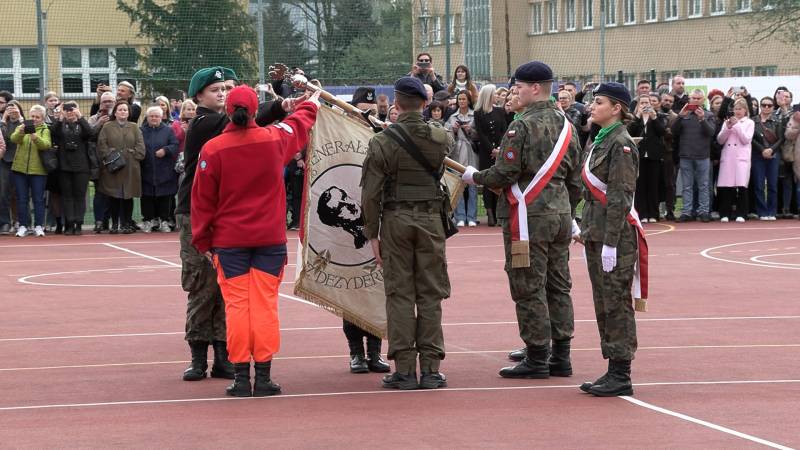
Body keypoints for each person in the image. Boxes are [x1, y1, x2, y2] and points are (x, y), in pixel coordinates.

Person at [191, 85, 320, 397]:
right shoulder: (274, 139)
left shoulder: (213, 149)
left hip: (230, 241)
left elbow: (201, 202)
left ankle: (239, 377)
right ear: (253, 112)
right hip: (268, 240)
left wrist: (204, 242)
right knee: (264, 306)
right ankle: (263, 376)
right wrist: (312, 103)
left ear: (228, 110)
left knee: (237, 307)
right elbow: (299, 124)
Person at [462, 61, 582, 379]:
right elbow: (575, 176)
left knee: (528, 285)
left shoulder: (521, 125)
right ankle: (561, 356)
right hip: (559, 214)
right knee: (558, 285)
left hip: (527, 218)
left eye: (518, 87)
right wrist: (567, 208)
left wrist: (474, 176)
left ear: (535, 88)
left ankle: (538, 355)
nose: (514, 91)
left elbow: (505, 172)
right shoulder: (567, 124)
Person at [177, 66, 290, 383]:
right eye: (215, 90)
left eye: (226, 89)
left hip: (220, 216)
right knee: (202, 285)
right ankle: (198, 357)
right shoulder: (203, 123)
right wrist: (279, 105)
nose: (222, 94)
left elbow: (248, 122)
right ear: (198, 96)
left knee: (229, 292)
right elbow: (242, 120)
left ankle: (225, 355)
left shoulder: (225, 123)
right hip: (195, 214)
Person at [361, 76, 453, 390]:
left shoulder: (382, 141)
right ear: (425, 103)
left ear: (396, 104)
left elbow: (370, 194)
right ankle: (430, 368)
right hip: (430, 221)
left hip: (396, 220)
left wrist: (372, 234)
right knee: (430, 294)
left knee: (399, 294)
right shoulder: (440, 137)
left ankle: (403, 369)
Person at [578, 82, 644, 397]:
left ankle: (622, 372)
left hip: (614, 237)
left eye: (599, 101)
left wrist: (611, 241)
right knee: (603, 302)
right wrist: (584, 227)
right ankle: (611, 368)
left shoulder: (621, 144)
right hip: (598, 231)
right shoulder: (601, 140)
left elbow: (619, 195)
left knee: (616, 303)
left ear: (616, 108)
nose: (592, 106)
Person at [96, 101, 145, 234]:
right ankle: (115, 224)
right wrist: (110, 155)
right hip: (113, 167)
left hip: (130, 167)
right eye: (120, 110)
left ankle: (126, 223)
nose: (123, 112)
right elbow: (102, 145)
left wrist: (133, 154)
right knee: (114, 196)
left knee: (128, 197)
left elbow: (140, 147)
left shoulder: (135, 127)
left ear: (129, 113)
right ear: (115, 112)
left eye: (125, 110)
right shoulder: (107, 127)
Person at [50, 102, 93, 235]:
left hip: (81, 166)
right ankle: (69, 223)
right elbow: (53, 133)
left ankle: (79, 223)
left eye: (72, 109)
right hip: (64, 166)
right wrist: (60, 117)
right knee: (67, 196)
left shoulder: (82, 124)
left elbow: (90, 133)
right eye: (67, 110)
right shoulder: (61, 125)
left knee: (80, 196)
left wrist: (80, 117)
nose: (69, 112)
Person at [673, 89, 716, 222]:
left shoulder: (709, 115)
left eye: (698, 98)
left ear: (703, 100)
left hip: (703, 156)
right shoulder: (683, 114)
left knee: (703, 185)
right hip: (686, 155)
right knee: (687, 186)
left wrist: (702, 119)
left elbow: (711, 133)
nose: (695, 101)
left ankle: (704, 211)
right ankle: (687, 212)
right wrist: (680, 116)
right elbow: (674, 131)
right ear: (689, 99)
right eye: (693, 98)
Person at [10, 105, 53, 237]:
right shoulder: (21, 126)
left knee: (38, 199)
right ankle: (23, 225)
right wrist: (21, 132)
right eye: (32, 116)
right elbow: (13, 139)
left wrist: (35, 137)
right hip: (19, 169)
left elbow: (46, 145)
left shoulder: (45, 129)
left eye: (37, 117)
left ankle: (39, 225)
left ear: (42, 118)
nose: (34, 119)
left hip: (38, 170)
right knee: (22, 199)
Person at [473, 84, 508, 227]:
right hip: (486, 153)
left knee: (499, 181)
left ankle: (499, 212)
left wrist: (499, 148)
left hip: (500, 152)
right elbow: (481, 134)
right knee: (488, 181)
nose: (497, 96)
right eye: (494, 94)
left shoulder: (500, 111)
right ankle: (490, 213)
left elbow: (503, 130)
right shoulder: (479, 112)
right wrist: (491, 150)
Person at [140, 106, 178, 232]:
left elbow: (175, 145)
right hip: (146, 169)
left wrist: (165, 150)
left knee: (165, 197)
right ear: (147, 117)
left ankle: (164, 221)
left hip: (164, 170)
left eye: (157, 116)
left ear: (161, 117)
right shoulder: (141, 130)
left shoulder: (168, 131)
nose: (154, 118)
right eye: (151, 116)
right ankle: (148, 221)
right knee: (147, 197)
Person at [628, 95, 665, 223]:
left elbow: (662, 132)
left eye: (647, 102)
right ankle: (642, 213)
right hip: (639, 156)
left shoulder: (658, 117)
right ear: (638, 104)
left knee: (653, 185)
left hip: (654, 156)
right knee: (640, 186)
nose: (645, 105)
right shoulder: (634, 118)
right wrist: (638, 116)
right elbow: (630, 132)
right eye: (642, 102)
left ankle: (654, 214)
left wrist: (654, 118)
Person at [717, 99, 754, 223]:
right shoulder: (727, 122)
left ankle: (742, 213)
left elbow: (746, 139)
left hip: (741, 158)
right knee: (727, 187)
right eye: (736, 109)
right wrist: (727, 128)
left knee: (742, 187)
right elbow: (720, 140)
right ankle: (725, 213)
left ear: (745, 110)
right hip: (728, 157)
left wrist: (737, 125)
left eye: (740, 109)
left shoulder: (749, 123)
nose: (737, 111)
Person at [445, 90, 478, 227]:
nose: (462, 102)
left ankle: (471, 216)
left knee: (472, 184)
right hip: (457, 153)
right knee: (458, 184)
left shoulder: (475, 115)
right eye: (460, 99)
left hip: (471, 152)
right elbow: (447, 136)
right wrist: (453, 129)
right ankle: (460, 216)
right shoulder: (452, 117)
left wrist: (470, 130)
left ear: (469, 100)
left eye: (464, 99)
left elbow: (479, 136)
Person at [752, 96, 783, 220]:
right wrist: (762, 150)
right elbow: (751, 139)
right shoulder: (753, 121)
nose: (766, 107)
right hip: (758, 155)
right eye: (764, 105)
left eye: (769, 105)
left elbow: (781, 139)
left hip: (774, 155)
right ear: (760, 106)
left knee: (772, 185)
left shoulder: (777, 121)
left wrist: (771, 150)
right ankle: (762, 211)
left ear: (773, 107)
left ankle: (772, 211)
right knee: (759, 185)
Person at [1, 100, 24, 234]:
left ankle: (22, 222)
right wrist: (4, 119)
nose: (11, 111)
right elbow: (1, 138)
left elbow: (27, 134)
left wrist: (20, 118)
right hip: (5, 161)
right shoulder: (3, 124)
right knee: (4, 193)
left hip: (20, 160)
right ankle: (5, 223)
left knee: (22, 194)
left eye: (13, 108)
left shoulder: (23, 122)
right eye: (8, 109)